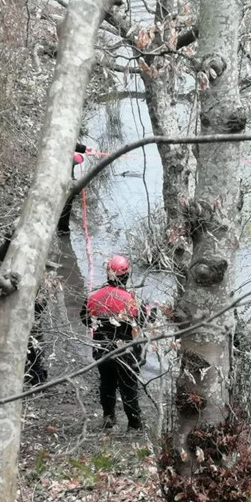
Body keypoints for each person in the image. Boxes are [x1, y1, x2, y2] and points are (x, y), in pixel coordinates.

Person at [81, 255, 151, 431]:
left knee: (106, 383)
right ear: (126, 275)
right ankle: (134, 425)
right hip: (125, 351)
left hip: (101, 348)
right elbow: (142, 322)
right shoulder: (131, 300)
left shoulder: (94, 296)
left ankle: (108, 418)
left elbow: (85, 319)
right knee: (128, 387)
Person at [0, 232, 49, 387]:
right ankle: (37, 375)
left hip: (14, 302)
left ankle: (28, 368)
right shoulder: (21, 256)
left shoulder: (2, 252)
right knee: (33, 339)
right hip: (24, 302)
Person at [57, 143, 93, 236]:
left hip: (60, 179)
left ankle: (61, 227)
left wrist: (84, 149)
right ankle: (62, 229)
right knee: (66, 204)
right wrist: (78, 156)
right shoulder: (61, 153)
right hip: (64, 181)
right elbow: (78, 159)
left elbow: (71, 143)